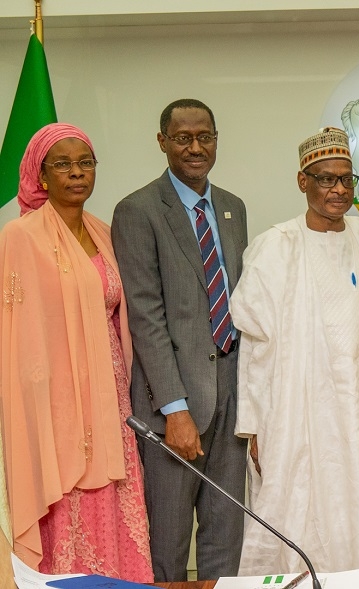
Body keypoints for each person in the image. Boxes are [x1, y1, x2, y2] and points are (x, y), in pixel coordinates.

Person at [230, 127, 359, 575]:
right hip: (299, 412)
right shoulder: (276, 246)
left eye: (346, 180)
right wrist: (254, 424)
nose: (338, 190)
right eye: (326, 179)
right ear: (303, 182)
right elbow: (255, 348)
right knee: (299, 503)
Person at [0, 123, 153, 580]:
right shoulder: (19, 237)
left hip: (110, 397)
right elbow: (15, 329)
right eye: (62, 165)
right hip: (53, 401)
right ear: (41, 175)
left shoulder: (104, 233)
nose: (77, 173)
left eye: (85, 163)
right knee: (64, 496)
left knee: (112, 494)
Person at [112, 100, 248, 581]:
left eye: (205, 136)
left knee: (225, 538)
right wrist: (175, 409)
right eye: (184, 138)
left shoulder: (232, 208)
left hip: (232, 396)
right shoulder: (137, 210)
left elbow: (236, 301)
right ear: (162, 142)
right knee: (167, 545)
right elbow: (145, 318)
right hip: (174, 407)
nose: (196, 147)